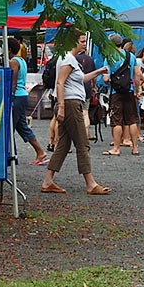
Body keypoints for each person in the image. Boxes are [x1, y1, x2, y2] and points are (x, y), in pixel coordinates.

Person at [40, 30, 110, 195]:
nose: (85, 44)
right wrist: (62, 106)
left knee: (64, 145)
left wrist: (99, 72)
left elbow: (81, 79)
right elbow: (60, 82)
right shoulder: (67, 59)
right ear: (73, 41)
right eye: (82, 41)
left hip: (72, 102)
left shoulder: (71, 60)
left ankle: (48, 180)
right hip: (70, 103)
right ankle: (90, 183)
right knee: (82, 143)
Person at [8, 36, 49, 166]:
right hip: (23, 94)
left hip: (17, 96)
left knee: (10, 127)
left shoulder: (13, 61)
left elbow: (13, 81)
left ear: (9, 49)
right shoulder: (22, 60)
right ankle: (40, 151)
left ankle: (11, 156)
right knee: (22, 127)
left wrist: (10, 96)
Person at [102, 33, 141, 156]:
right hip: (129, 90)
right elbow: (137, 75)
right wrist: (137, 90)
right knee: (132, 120)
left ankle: (116, 148)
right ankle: (135, 148)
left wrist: (110, 79)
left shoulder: (109, 57)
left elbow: (106, 78)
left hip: (115, 92)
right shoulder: (131, 56)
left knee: (117, 120)